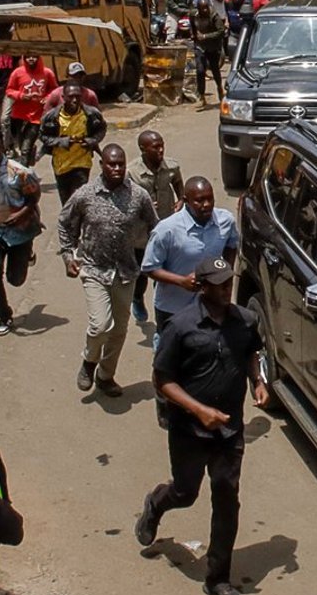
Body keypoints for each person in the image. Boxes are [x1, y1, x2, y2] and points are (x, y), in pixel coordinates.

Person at [135, 255, 268, 595]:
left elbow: (252, 349)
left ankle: (218, 578)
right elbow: (162, 380)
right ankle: (156, 504)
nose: (227, 290)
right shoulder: (181, 327)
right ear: (202, 286)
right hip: (188, 431)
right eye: (219, 285)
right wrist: (199, 411)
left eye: (229, 284)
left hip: (229, 433)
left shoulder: (245, 320)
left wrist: (257, 381)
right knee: (185, 492)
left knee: (227, 499)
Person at [58, 143, 158, 399]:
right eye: (111, 164)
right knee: (100, 324)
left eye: (121, 164)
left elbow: (155, 227)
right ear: (102, 165)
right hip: (94, 268)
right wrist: (68, 255)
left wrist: (157, 257)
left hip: (126, 271)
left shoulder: (139, 195)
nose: (116, 168)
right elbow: (64, 223)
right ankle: (89, 362)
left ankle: (105, 375)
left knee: (120, 330)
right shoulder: (85, 194)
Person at [141, 177, 240, 335]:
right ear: (186, 200)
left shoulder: (225, 221)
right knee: (171, 356)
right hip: (173, 308)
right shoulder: (167, 230)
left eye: (210, 199)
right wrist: (182, 281)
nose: (206, 205)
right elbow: (149, 267)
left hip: (210, 307)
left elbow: (231, 245)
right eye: (199, 201)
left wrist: (225, 275)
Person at [0, 136, 42, 335]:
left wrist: (19, 214)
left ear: (3, 148)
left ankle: (28, 255)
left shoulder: (19, 172)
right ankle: (4, 315)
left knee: (15, 279)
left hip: (20, 232)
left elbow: (34, 196)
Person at [130, 130, 183, 324]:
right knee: (142, 272)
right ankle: (137, 298)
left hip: (166, 225)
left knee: (163, 270)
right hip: (141, 232)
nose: (160, 149)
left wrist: (181, 200)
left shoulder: (172, 166)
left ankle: (161, 308)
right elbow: (124, 198)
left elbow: (178, 183)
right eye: (155, 146)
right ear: (143, 149)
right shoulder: (131, 172)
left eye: (162, 145)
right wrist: (141, 206)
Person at [39, 79, 106, 204]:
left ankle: (79, 222)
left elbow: (101, 130)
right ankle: (69, 223)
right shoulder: (52, 117)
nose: (74, 100)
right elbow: (43, 136)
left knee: (79, 198)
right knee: (66, 202)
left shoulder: (91, 114)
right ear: (63, 97)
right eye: (71, 97)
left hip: (82, 163)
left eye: (77, 96)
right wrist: (62, 142)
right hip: (61, 165)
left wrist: (91, 141)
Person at [2, 53, 57, 165]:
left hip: (36, 117)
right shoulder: (17, 73)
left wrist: (47, 98)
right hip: (18, 116)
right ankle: (28, 157)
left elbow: (54, 89)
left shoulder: (47, 73)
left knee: (25, 149)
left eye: (34, 56)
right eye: (28, 56)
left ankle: (23, 176)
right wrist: (21, 96)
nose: (31, 59)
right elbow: (9, 90)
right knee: (22, 146)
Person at [193, 0, 228, 107]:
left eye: (206, 8)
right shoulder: (194, 15)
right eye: (202, 8)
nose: (205, 10)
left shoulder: (214, 16)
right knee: (200, 70)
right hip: (200, 47)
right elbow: (192, 26)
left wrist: (205, 36)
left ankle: (219, 88)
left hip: (212, 47)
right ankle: (201, 96)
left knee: (215, 69)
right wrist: (194, 35)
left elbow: (221, 31)